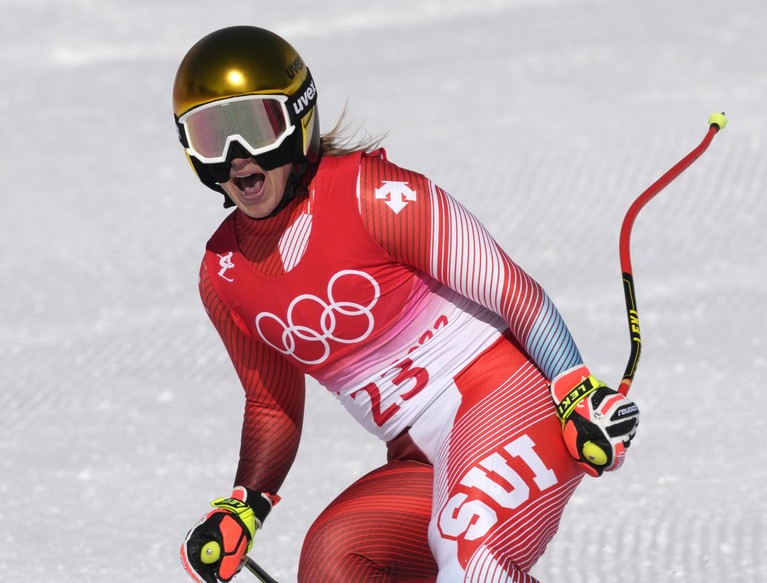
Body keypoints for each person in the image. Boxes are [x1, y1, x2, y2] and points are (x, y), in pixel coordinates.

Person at [174, 25, 640, 583]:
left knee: (470, 556)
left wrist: (575, 388)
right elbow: (272, 405)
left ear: (297, 119)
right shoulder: (224, 273)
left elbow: (507, 286)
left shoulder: (373, 196)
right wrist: (243, 507)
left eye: (253, 128)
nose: (236, 158)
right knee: (334, 561)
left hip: (510, 399)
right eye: (209, 137)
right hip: (421, 460)